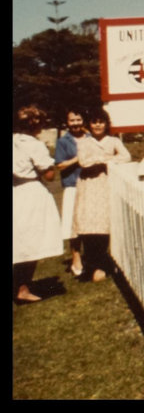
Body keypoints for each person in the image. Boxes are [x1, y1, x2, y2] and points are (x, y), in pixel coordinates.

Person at [13, 105, 64, 303]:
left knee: (18, 240)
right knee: (31, 240)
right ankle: (23, 288)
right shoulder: (34, 144)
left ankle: (19, 285)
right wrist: (51, 165)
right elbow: (49, 175)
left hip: (15, 190)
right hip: (31, 192)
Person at [73, 109, 130, 282]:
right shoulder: (83, 143)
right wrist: (102, 159)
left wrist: (106, 160)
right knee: (89, 225)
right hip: (89, 187)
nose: (98, 125)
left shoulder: (113, 141)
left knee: (105, 224)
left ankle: (103, 264)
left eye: (101, 122)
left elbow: (126, 156)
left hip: (106, 185)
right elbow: (84, 161)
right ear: (89, 125)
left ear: (106, 124)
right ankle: (92, 264)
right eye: (94, 122)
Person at [54, 108, 88, 277]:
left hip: (91, 185)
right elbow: (59, 164)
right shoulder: (63, 141)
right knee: (72, 224)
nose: (75, 124)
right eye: (72, 121)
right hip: (72, 185)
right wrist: (78, 159)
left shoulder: (90, 138)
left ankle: (91, 257)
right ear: (67, 123)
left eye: (78, 120)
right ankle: (76, 257)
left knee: (89, 223)